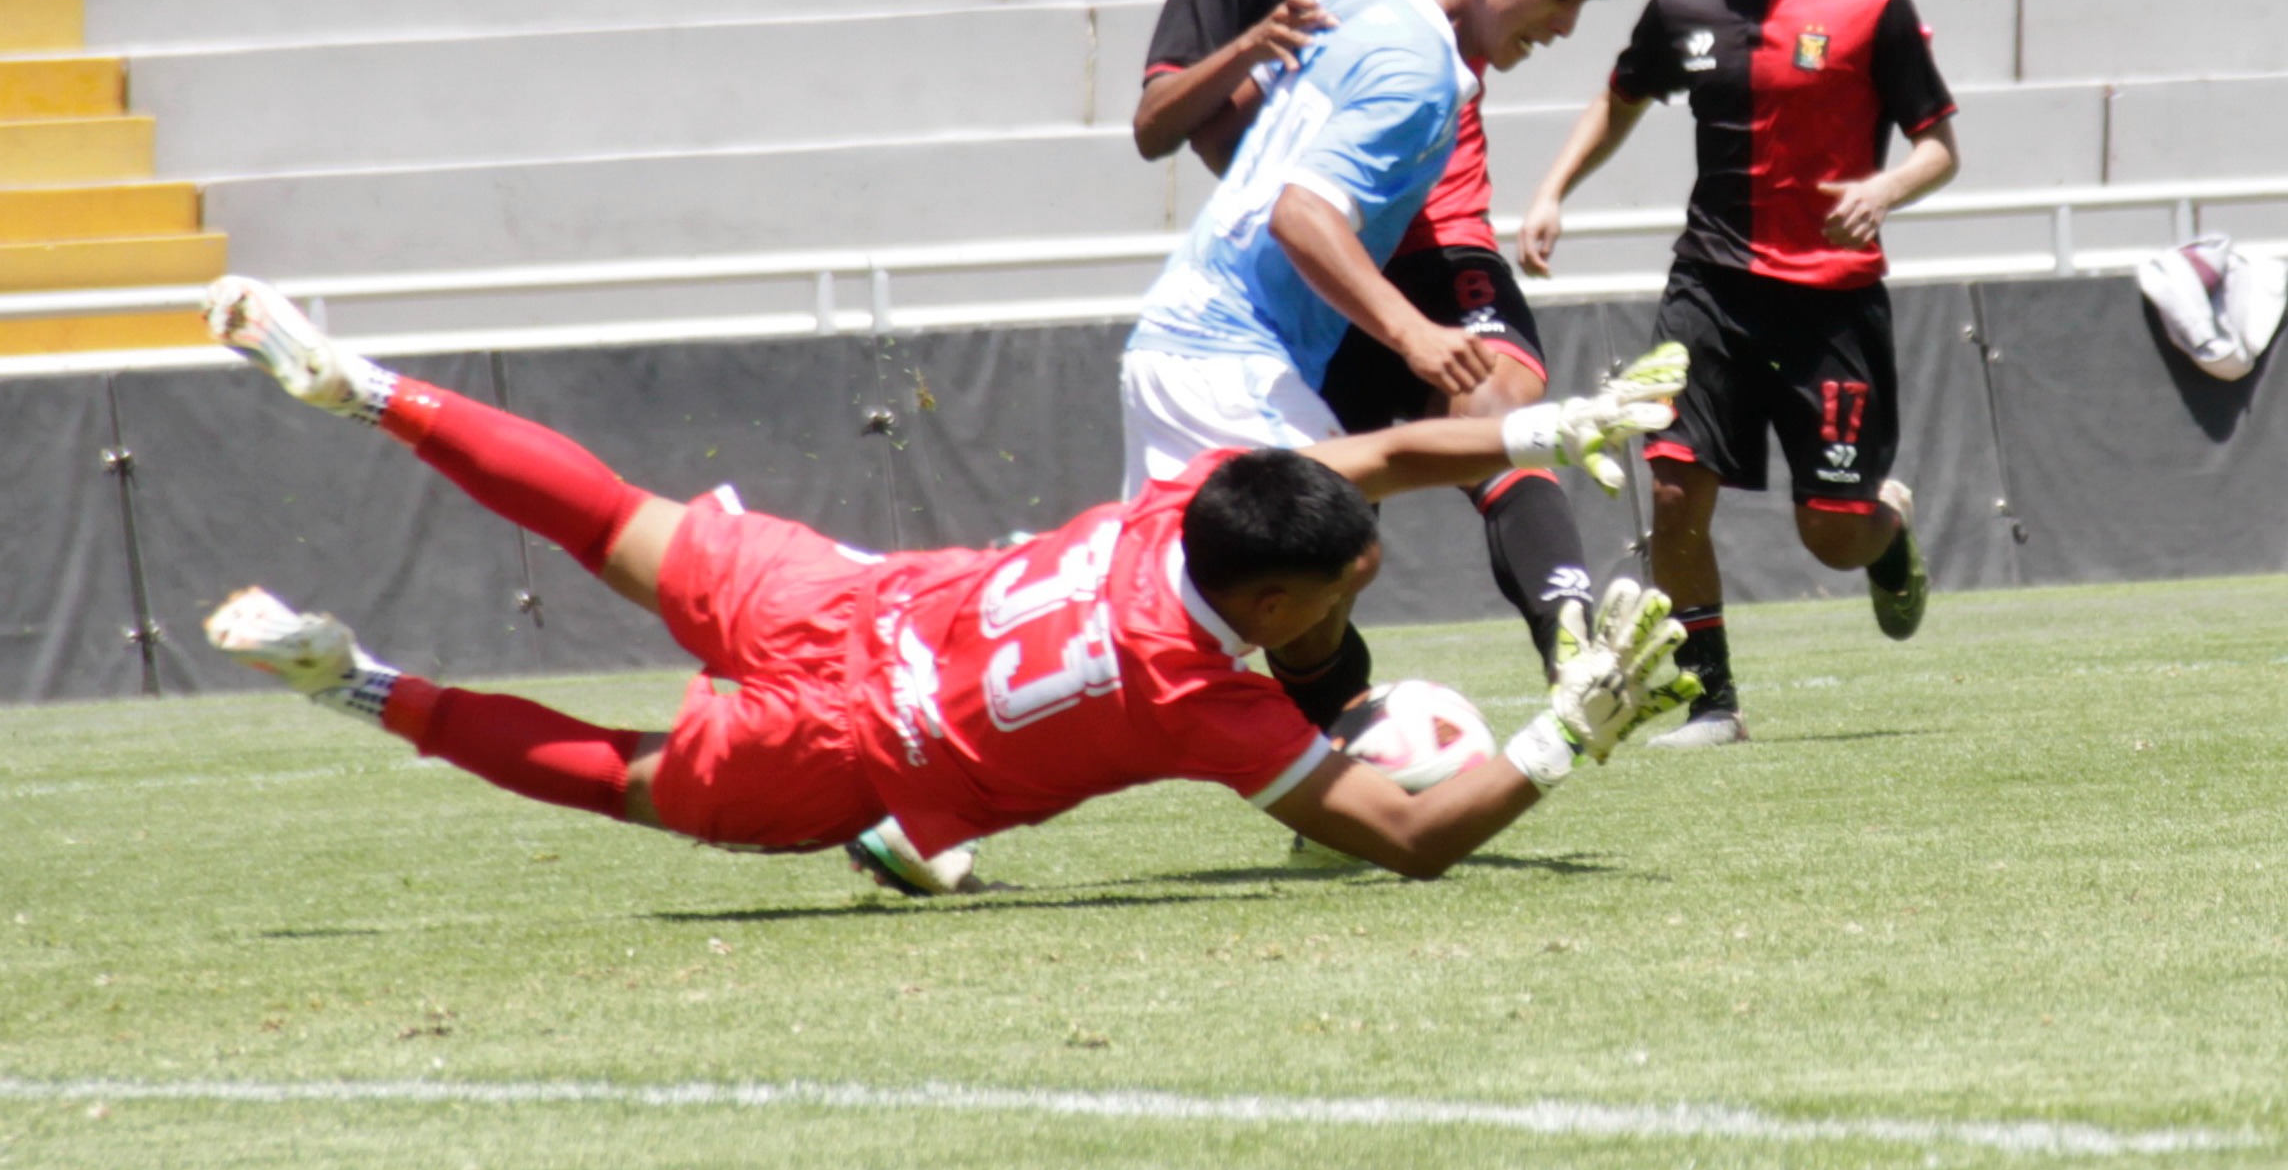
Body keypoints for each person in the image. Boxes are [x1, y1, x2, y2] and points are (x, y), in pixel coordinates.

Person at [199, 275, 1688, 892]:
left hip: (838, 604)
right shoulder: (1195, 700)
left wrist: (1545, 425)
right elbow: (1413, 835)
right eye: (1352, 580)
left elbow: (1361, 461)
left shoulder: (1181, 500)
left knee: (608, 514)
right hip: (851, 750)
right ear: (1285, 605)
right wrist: (1571, 728)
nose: (1364, 576)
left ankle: (370, 383)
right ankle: (364, 680)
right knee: (623, 774)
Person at [1132, 0, 1629, 713]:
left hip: (1434, 245)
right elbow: (1158, 129)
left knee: (1494, 405)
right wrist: (1245, 50)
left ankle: (1570, 640)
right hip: (1303, 275)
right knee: (1309, 562)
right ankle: (1338, 733)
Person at [1517, 0, 1960, 748]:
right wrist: (1554, 187)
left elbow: (1939, 149)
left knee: (1830, 535)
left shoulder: (1870, 3)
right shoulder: (1684, 6)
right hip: (1710, 287)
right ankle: (1713, 701)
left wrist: (1885, 188)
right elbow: (1620, 96)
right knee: (1674, 485)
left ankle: (1885, 531)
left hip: (1832, 299)